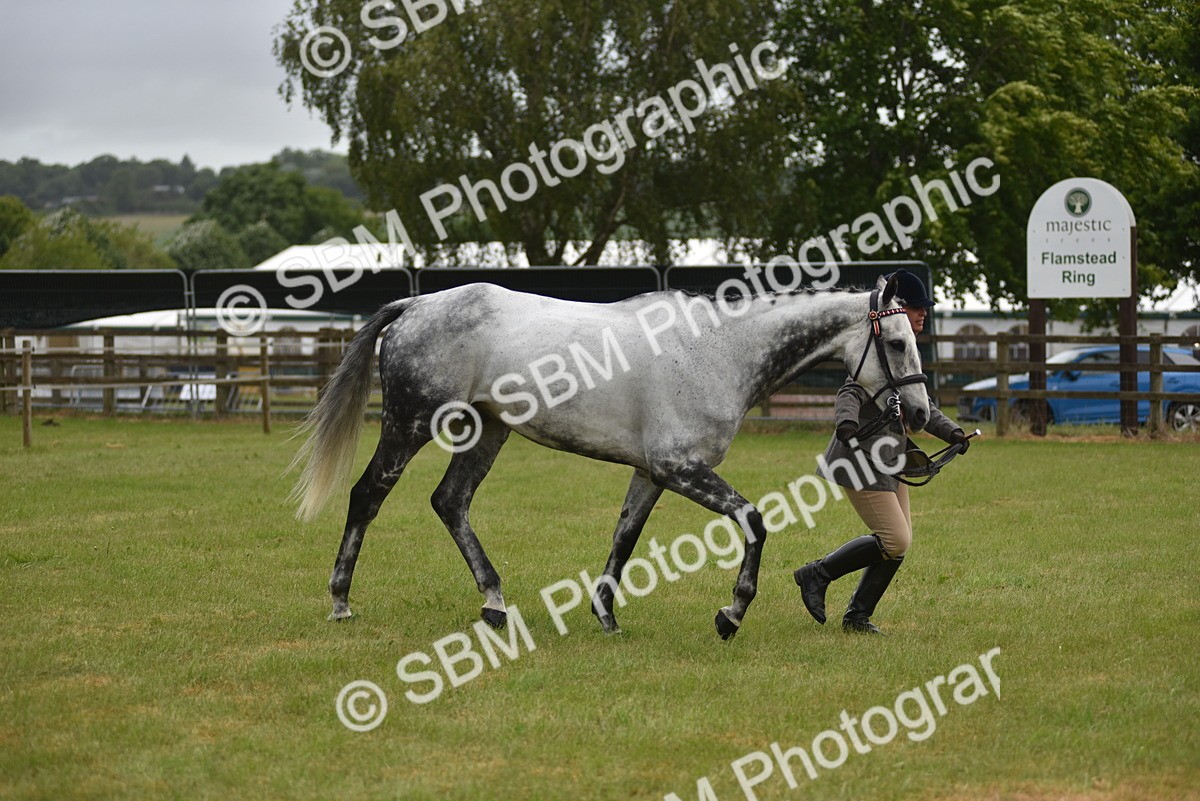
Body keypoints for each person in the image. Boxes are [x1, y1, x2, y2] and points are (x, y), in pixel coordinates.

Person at [794, 269, 969, 635]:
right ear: (896, 308)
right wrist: (846, 422)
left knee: (897, 545)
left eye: (925, 308)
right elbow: (850, 391)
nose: (924, 314)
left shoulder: (903, 351)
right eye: (918, 307)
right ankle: (817, 573)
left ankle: (857, 616)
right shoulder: (876, 351)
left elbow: (921, 404)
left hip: (889, 460)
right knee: (895, 539)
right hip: (860, 460)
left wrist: (952, 432)